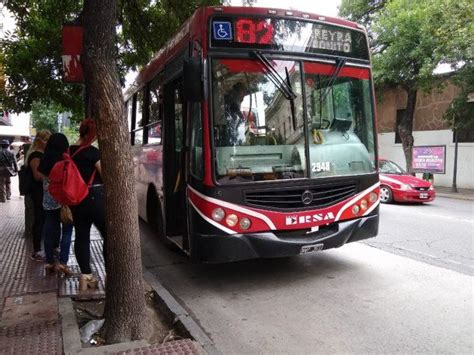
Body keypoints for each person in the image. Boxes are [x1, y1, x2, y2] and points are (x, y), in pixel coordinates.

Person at [70, 118, 106, 290]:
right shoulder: (92, 152)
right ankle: (111, 273)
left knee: (82, 236)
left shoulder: (69, 151)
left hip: (76, 200)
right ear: (92, 134)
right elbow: (104, 175)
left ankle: (86, 276)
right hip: (94, 197)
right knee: (110, 235)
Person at [38, 133, 74, 275]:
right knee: (67, 231)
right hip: (65, 200)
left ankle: (50, 262)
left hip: (49, 200)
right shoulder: (66, 160)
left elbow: (42, 178)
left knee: (49, 231)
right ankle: (64, 263)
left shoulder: (44, 160)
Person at [26, 130, 52, 261]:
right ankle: (37, 250)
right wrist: (52, 177)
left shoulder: (41, 154)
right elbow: (37, 176)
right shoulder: (36, 155)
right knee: (39, 220)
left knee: (43, 220)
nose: (47, 143)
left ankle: (40, 248)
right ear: (39, 141)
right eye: (46, 140)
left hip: (43, 191)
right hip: (38, 192)